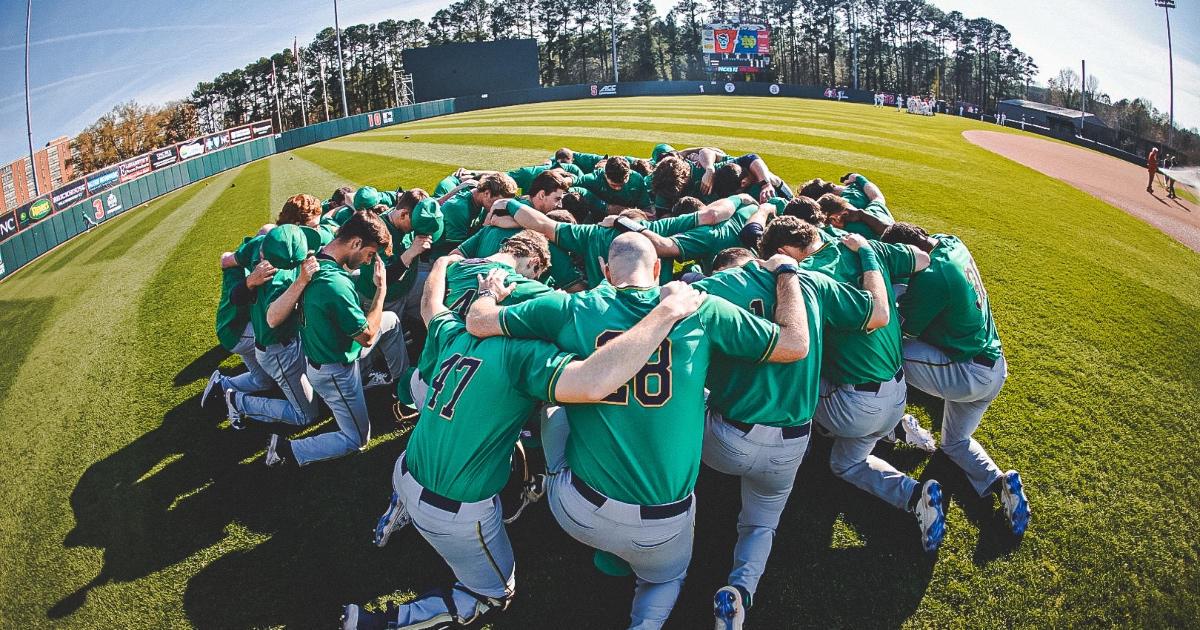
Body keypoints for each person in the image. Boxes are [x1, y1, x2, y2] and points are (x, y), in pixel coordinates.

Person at [465, 232, 811, 630]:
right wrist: (787, 273)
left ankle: (572, 510)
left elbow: (478, 322)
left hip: (577, 509)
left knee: (555, 400)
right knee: (665, 579)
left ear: (606, 271)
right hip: (661, 523)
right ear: (658, 269)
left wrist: (488, 290)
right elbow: (794, 343)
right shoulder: (702, 308)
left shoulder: (570, 307)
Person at [341, 255, 706, 630]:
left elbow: (430, 305)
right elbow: (594, 381)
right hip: (455, 510)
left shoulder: (451, 330)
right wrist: (664, 314)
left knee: (441, 436)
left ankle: (397, 512)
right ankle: (383, 621)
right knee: (493, 593)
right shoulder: (525, 354)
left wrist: (443, 265)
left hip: (405, 468)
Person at [690, 242, 887, 630]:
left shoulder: (710, 291)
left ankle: (672, 517)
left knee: (689, 412)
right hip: (792, 442)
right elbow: (877, 314)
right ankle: (740, 591)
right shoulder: (809, 281)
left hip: (725, 440)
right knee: (761, 523)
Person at [761, 216, 946, 552]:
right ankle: (914, 493)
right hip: (897, 395)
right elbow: (924, 259)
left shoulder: (803, 280)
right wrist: (870, 255)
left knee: (785, 380)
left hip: (854, 407)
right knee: (844, 463)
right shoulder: (866, 247)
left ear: (785, 251)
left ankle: (795, 454)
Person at [880, 222, 1030, 535]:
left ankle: (889, 425)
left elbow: (899, 329)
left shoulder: (933, 277)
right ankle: (1000, 482)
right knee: (955, 443)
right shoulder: (950, 241)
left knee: (887, 351)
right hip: (993, 366)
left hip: (967, 373)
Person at [266, 210, 407, 467]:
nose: (367, 262)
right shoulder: (334, 285)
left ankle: (402, 383)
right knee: (357, 440)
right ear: (355, 243)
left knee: (392, 321)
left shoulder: (318, 255)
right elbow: (366, 336)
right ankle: (286, 450)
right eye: (369, 253)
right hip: (335, 370)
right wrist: (381, 291)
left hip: (330, 349)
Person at [223, 222, 324, 434]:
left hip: (284, 342)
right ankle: (239, 402)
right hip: (279, 349)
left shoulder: (260, 243)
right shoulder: (279, 279)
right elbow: (273, 319)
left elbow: (227, 258)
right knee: (307, 414)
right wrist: (302, 279)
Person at [453, 171, 586, 292]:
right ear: (542, 195)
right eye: (557, 199)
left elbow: (454, 255)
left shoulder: (493, 224)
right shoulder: (546, 241)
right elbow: (576, 287)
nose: (560, 205)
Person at [202, 224, 276, 410]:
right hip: (236, 330)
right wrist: (252, 280)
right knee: (287, 338)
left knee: (263, 382)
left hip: (243, 326)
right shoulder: (236, 265)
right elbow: (237, 296)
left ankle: (221, 384)